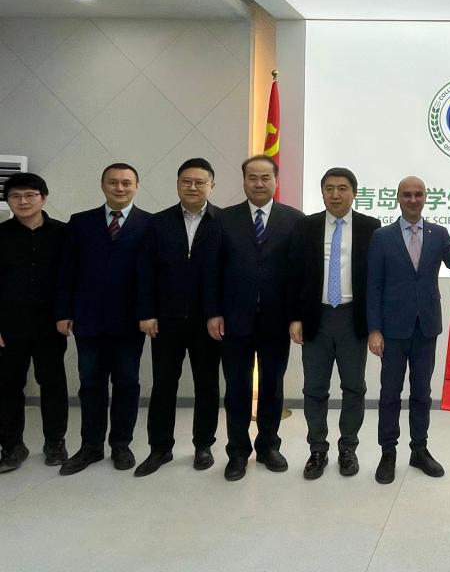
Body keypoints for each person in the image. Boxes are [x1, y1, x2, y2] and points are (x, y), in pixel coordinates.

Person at [207, 155, 304, 482]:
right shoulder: (224, 219)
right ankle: (237, 451)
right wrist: (214, 312)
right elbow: (212, 271)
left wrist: (296, 317)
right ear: (244, 180)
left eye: (265, 178)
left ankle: (268, 447)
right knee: (236, 388)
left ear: (276, 180)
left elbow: (299, 274)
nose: (259, 183)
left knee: (273, 387)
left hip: (276, 320)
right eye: (253, 177)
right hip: (234, 320)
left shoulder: (294, 220)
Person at [56, 163, 152, 475]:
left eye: (126, 183)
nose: (120, 188)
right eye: (113, 182)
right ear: (103, 185)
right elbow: (67, 271)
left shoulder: (150, 224)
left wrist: (148, 313)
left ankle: (121, 444)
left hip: (129, 322)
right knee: (90, 385)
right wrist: (63, 312)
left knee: (127, 384)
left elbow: (152, 276)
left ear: (136, 186)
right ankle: (91, 446)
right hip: (89, 320)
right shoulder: (80, 222)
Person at [290, 167, 381, 480]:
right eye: (329, 188)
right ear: (322, 192)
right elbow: (296, 274)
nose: (335, 194)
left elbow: (375, 278)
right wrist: (295, 317)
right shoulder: (307, 226)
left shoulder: (370, 227)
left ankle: (348, 448)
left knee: (354, 387)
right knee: (314, 388)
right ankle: (317, 449)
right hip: (316, 317)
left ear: (354, 193)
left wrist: (375, 324)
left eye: (342, 188)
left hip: (352, 317)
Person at [134, 158, 222, 477]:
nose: (193, 187)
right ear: (177, 184)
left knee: (207, 385)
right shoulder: (157, 223)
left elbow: (226, 274)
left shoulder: (223, 222)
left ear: (212, 185)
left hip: (207, 322)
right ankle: (160, 448)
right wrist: (146, 313)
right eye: (187, 181)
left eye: (200, 182)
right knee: (163, 385)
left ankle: (203, 445)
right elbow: (145, 271)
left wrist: (218, 313)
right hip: (166, 320)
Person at [367, 176, 450, 485]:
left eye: (418, 194)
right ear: (398, 198)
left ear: (425, 197)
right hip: (392, 330)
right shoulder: (382, 237)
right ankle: (388, 453)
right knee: (389, 394)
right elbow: (373, 286)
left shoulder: (438, 234)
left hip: (426, 328)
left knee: (422, 393)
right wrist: (374, 330)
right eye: (407, 194)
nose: (413, 199)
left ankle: (419, 450)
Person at [0, 173, 68, 473]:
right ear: (8, 201)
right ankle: (12, 446)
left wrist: (68, 314)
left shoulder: (64, 234)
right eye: (15, 196)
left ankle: (55, 442)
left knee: (53, 384)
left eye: (30, 195)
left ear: (43, 197)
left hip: (50, 325)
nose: (23, 201)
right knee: (8, 386)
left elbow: (71, 279)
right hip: (9, 327)